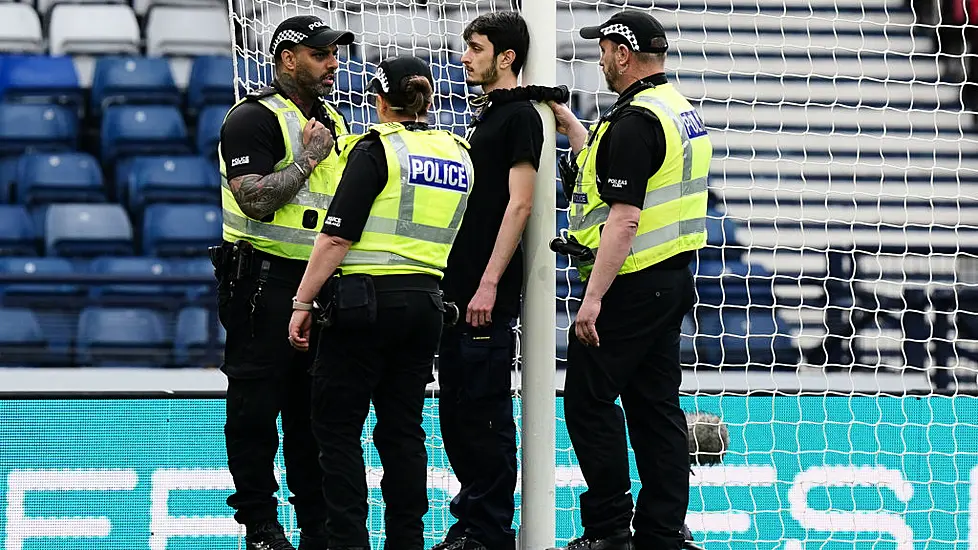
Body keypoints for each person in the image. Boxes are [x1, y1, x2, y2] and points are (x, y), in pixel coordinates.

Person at [286, 55, 475, 550]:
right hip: (427, 304)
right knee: (403, 430)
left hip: (363, 304)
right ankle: (408, 540)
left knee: (337, 427)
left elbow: (335, 238)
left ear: (379, 98)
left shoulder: (377, 150)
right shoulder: (458, 152)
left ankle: (348, 540)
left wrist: (302, 302)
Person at [546, 9, 712, 550]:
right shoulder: (676, 110)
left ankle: (608, 529)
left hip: (629, 281)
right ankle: (662, 532)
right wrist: (570, 124)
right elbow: (609, 167)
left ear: (623, 53)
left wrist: (592, 300)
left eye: (603, 48)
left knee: (588, 401)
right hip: (671, 278)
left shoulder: (635, 120)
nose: (598, 58)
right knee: (655, 407)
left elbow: (624, 217)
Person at [213, 14, 354, 550]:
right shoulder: (251, 118)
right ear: (287, 58)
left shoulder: (334, 120)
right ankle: (260, 524)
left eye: (334, 54)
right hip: (262, 284)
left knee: (312, 414)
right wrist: (307, 160)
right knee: (254, 409)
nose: (333, 64)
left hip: (317, 285)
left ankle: (315, 524)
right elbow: (254, 197)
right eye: (321, 55)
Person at [433, 11, 543, 550]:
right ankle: (469, 522)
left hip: (483, 294)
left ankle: (490, 530)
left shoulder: (519, 116)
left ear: (506, 57)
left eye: (475, 48)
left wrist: (489, 283)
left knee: (485, 414)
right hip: (456, 289)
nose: (464, 57)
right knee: (455, 410)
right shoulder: (486, 115)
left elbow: (519, 204)